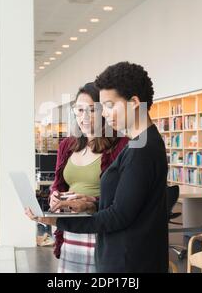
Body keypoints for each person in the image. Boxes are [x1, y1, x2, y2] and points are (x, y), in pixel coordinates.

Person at [27, 62, 169, 273]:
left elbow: (118, 216)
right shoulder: (141, 143)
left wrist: (55, 220)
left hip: (128, 262)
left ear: (134, 103)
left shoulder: (142, 149)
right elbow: (126, 202)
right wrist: (89, 204)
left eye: (110, 106)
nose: (105, 114)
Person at [48, 82, 128, 273]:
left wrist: (91, 203)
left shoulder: (121, 144)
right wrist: (54, 195)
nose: (84, 117)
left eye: (91, 110)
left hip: (102, 229)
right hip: (72, 231)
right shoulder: (67, 145)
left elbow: (124, 198)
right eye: (79, 110)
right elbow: (58, 184)